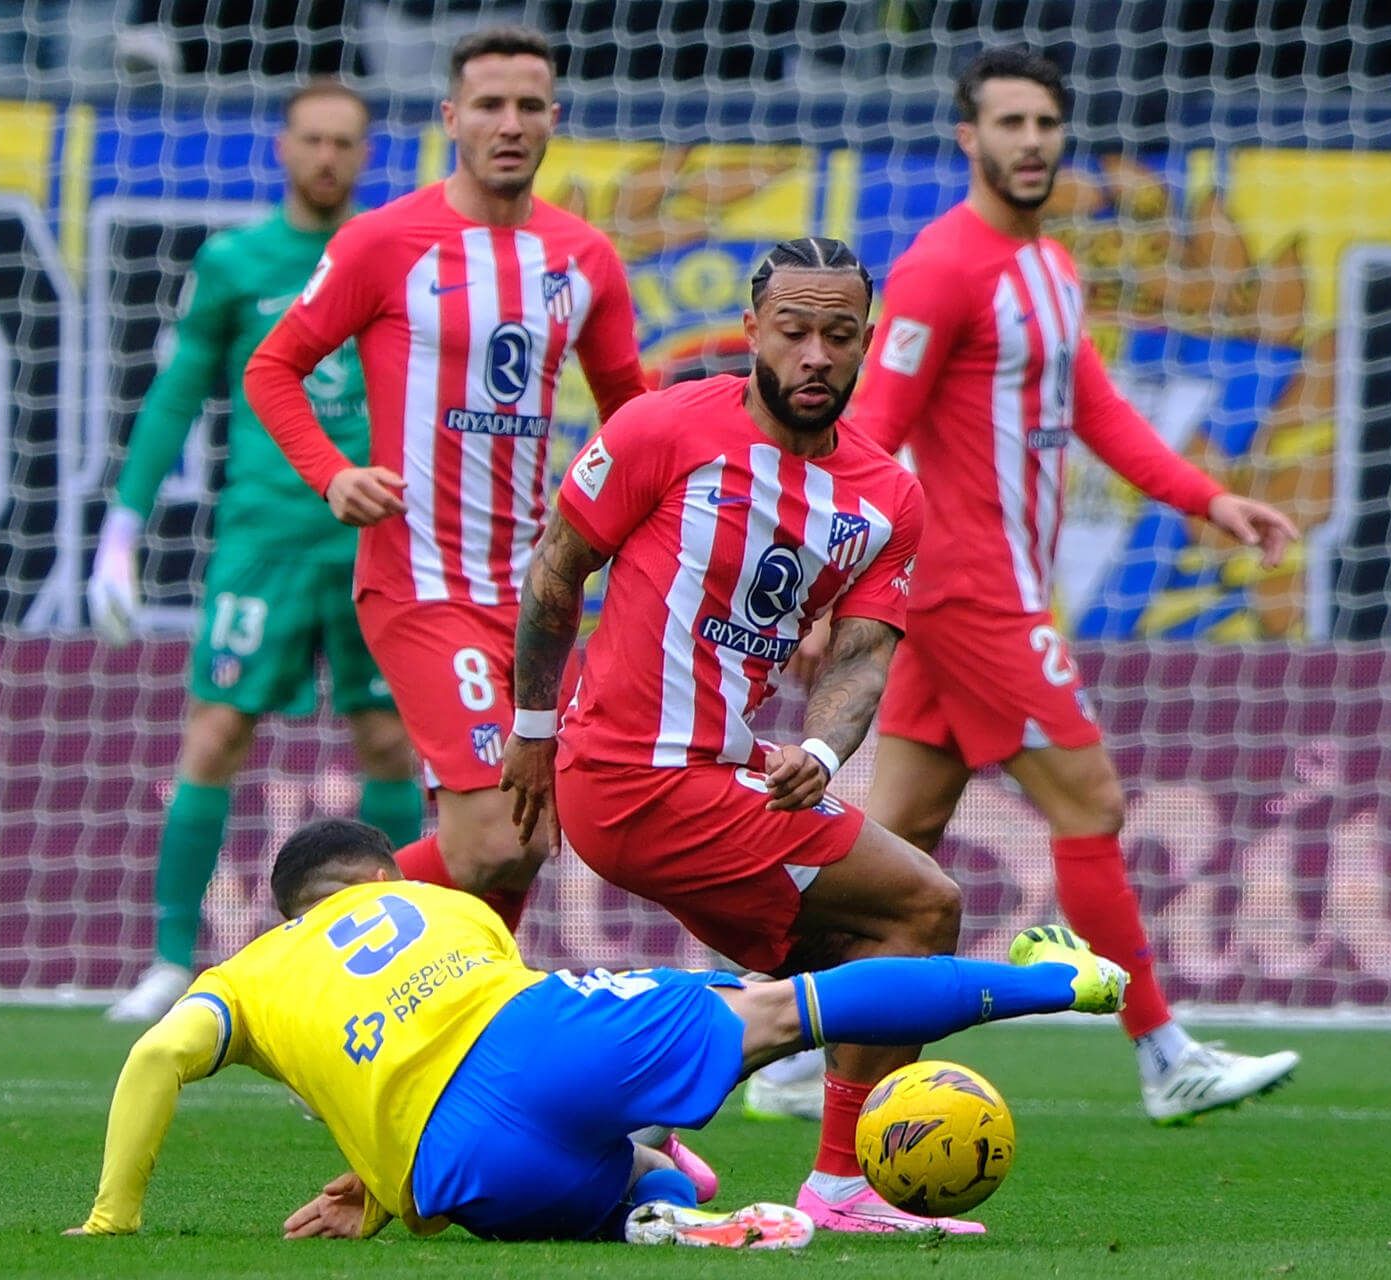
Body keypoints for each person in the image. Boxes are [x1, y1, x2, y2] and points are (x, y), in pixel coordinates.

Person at [503, 236, 1011, 1236]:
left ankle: (623, 1120)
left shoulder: (882, 497)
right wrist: (528, 730)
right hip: (628, 771)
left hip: (723, 775)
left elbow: (863, 655)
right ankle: (841, 1180)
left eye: (839, 333)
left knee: (846, 953)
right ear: (751, 332)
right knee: (923, 903)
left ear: (867, 342)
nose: (816, 354)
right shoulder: (660, 429)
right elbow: (557, 571)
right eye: (793, 331)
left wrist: (821, 754)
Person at [837, 46, 1302, 1125]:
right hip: (965, 589)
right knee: (1090, 801)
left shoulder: (1049, 266)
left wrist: (1208, 500)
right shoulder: (941, 267)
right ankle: (1165, 1053)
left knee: (894, 852)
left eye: (1046, 123)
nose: (1032, 142)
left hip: (997, 586)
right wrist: (836, 579)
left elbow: (1098, 409)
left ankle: (786, 1035)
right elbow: (871, 431)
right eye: (1009, 123)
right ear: (969, 137)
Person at [68, 817, 1127, 1246]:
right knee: (775, 1009)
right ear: (386, 875)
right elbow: (505, 1032)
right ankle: (1059, 981)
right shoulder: (448, 904)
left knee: (629, 1192)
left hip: (454, 1171)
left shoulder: (245, 974)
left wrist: (114, 1216)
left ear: (289, 910)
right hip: (529, 1039)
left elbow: (158, 1053)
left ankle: (666, 1196)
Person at [245, 27, 647, 930]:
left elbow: (633, 413)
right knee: (492, 841)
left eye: (529, 106)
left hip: (535, 592)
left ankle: (467, 1026)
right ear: (450, 118)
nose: (510, 124)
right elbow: (272, 369)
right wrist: (333, 475)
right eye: (490, 106)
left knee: (530, 825)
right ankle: (299, 950)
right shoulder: (385, 242)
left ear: (554, 120)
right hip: (420, 582)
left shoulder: (583, 259)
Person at [91, 80, 423, 1024]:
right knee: (217, 731)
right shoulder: (237, 263)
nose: (327, 157)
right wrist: (122, 527)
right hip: (263, 542)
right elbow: (178, 393)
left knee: (389, 741)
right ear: (283, 149)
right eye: (312, 140)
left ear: (366, 155)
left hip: (375, 539)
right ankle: (167, 959)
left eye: (345, 142)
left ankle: (385, 950)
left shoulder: (392, 255)